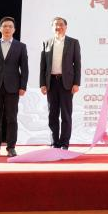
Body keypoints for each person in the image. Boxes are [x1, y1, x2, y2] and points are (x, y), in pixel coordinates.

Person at [0, 16, 29, 158]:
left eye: (10, 26)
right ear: (0, 29)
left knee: (12, 119)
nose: (7, 28)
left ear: (14, 30)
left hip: (13, 87)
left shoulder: (21, 46)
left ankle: (11, 147)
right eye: (5, 26)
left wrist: (23, 86)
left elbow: (24, 69)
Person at [40, 17, 81, 150]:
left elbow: (77, 64)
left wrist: (76, 83)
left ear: (66, 27)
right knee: (52, 114)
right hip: (51, 82)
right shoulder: (46, 42)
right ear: (52, 27)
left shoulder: (73, 42)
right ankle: (54, 143)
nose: (59, 27)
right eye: (56, 25)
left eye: (61, 24)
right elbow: (43, 66)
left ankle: (64, 143)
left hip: (66, 83)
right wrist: (42, 83)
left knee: (66, 115)